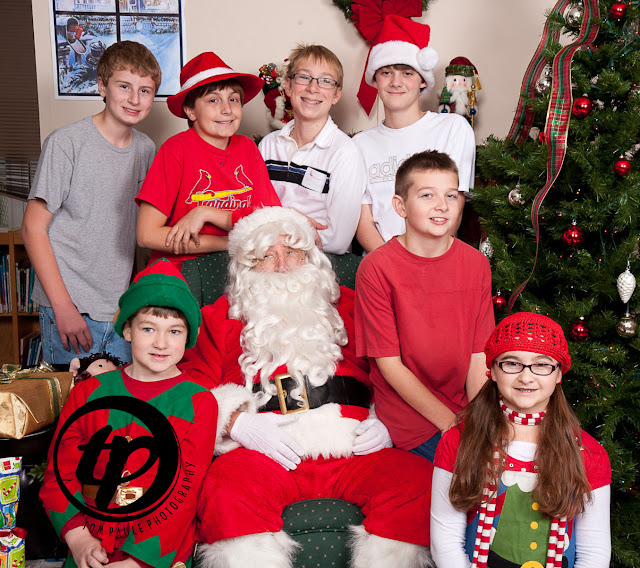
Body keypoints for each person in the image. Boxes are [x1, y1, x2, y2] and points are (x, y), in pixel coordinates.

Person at [180, 207, 434, 568]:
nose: (283, 265)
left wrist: (388, 420)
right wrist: (237, 423)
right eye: (267, 256)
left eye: (292, 252)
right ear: (247, 266)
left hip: (355, 448)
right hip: (266, 454)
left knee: (417, 482)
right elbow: (189, 387)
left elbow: (393, 369)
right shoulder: (221, 317)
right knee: (224, 490)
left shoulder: (350, 305)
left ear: (309, 257)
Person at [40, 259, 218, 568]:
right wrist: (79, 538)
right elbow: (60, 473)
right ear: (127, 330)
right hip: (90, 542)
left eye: (174, 331)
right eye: (148, 328)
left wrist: (137, 561)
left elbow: (185, 491)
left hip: (157, 551)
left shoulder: (199, 402)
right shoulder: (88, 393)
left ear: (188, 336)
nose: (161, 342)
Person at [430, 312, 611, 568]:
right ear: (493, 370)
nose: (526, 377)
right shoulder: (460, 441)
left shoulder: (587, 452)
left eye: (542, 364)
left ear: (559, 374)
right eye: (512, 363)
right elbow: (445, 538)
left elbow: (594, 550)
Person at [21, 41, 160, 365]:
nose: (134, 99)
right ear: (102, 86)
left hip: (120, 308)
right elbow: (32, 228)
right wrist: (63, 307)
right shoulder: (66, 142)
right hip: (71, 305)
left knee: (121, 396)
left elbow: (143, 228)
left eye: (145, 91)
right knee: (76, 397)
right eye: (124, 86)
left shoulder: (146, 149)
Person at [355, 151, 494, 462]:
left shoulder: (476, 264)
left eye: (451, 195)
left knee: (519, 464)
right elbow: (390, 366)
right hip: (409, 412)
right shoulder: (376, 268)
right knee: (474, 473)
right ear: (400, 206)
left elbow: (478, 356)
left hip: (466, 404)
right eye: (427, 195)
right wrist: (452, 427)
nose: (442, 205)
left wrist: (479, 421)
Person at [136, 51, 281, 270]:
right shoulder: (175, 150)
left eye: (233, 99)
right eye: (213, 100)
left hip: (240, 264)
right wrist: (229, 243)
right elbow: (147, 235)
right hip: (181, 266)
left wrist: (206, 212)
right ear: (191, 111)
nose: (227, 109)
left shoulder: (247, 148)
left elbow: (269, 218)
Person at [353, 14, 476, 252]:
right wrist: (391, 263)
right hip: (382, 261)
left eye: (407, 73)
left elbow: (453, 206)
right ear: (374, 80)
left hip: (436, 257)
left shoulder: (453, 128)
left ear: (422, 81)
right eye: (386, 73)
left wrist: (421, 261)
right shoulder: (360, 144)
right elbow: (363, 220)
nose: (396, 82)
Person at [258, 44, 366, 254]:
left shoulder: (345, 152)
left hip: (319, 261)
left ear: (336, 94)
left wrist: (275, 224)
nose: (313, 88)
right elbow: (253, 214)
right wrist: (295, 219)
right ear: (288, 87)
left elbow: (337, 241)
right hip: (267, 256)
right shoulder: (268, 146)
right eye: (304, 77)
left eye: (325, 81)